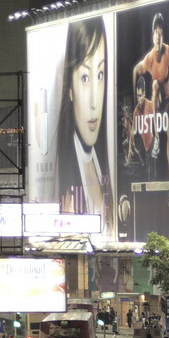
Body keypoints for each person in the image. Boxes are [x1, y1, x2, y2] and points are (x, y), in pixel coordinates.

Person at [56, 16, 112, 235]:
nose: (94, 102)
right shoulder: (64, 179)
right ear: (69, 88)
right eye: (85, 78)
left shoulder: (105, 164)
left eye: (100, 75)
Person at [132, 12, 169, 188]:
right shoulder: (149, 57)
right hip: (157, 104)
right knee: (156, 84)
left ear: (163, 35)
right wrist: (136, 95)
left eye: (161, 33)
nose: (158, 36)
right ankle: (157, 132)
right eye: (156, 33)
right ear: (152, 36)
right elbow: (136, 70)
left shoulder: (168, 50)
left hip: (167, 100)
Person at [130, 73, 157, 180]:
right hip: (143, 146)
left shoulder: (150, 105)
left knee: (152, 172)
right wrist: (130, 149)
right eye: (137, 96)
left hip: (152, 142)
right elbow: (132, 131)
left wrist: (157, 141)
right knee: (145, 172)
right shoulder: (136, 110)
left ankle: (154, 195)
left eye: (140, 96)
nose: (138, 98)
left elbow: (157, 123)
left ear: (144, 94)